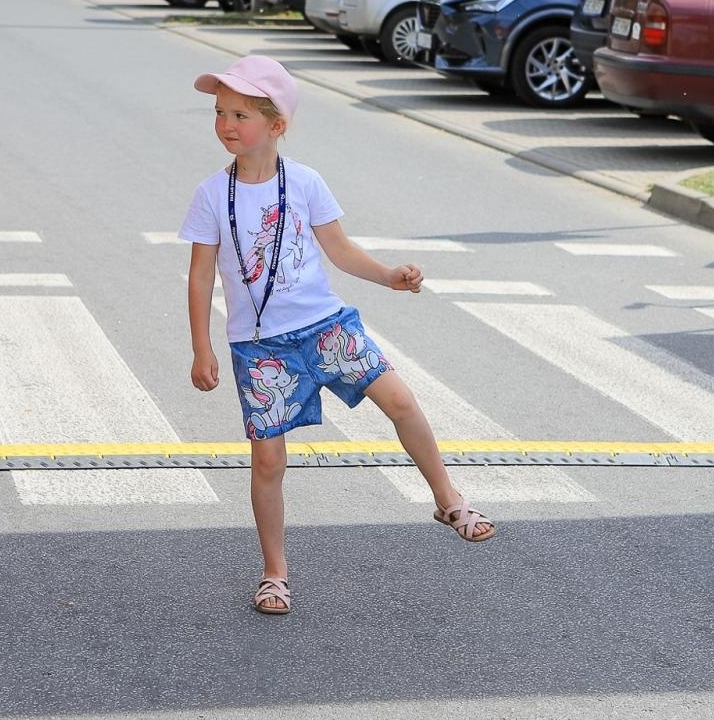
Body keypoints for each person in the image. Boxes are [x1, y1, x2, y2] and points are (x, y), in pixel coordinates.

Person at [180, 55, 494, 616]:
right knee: (268, 462)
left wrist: (389, 276)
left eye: (242, 115)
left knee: (399, 399)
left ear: (276, 126)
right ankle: (274, 572)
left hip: (326, 326)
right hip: (261, 347)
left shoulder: (304, 182)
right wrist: (202, 346)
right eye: (221, 113)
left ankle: (447, 499)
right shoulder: (211, 194)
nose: (227, 125)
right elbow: (202, 272)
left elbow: (340, 251)